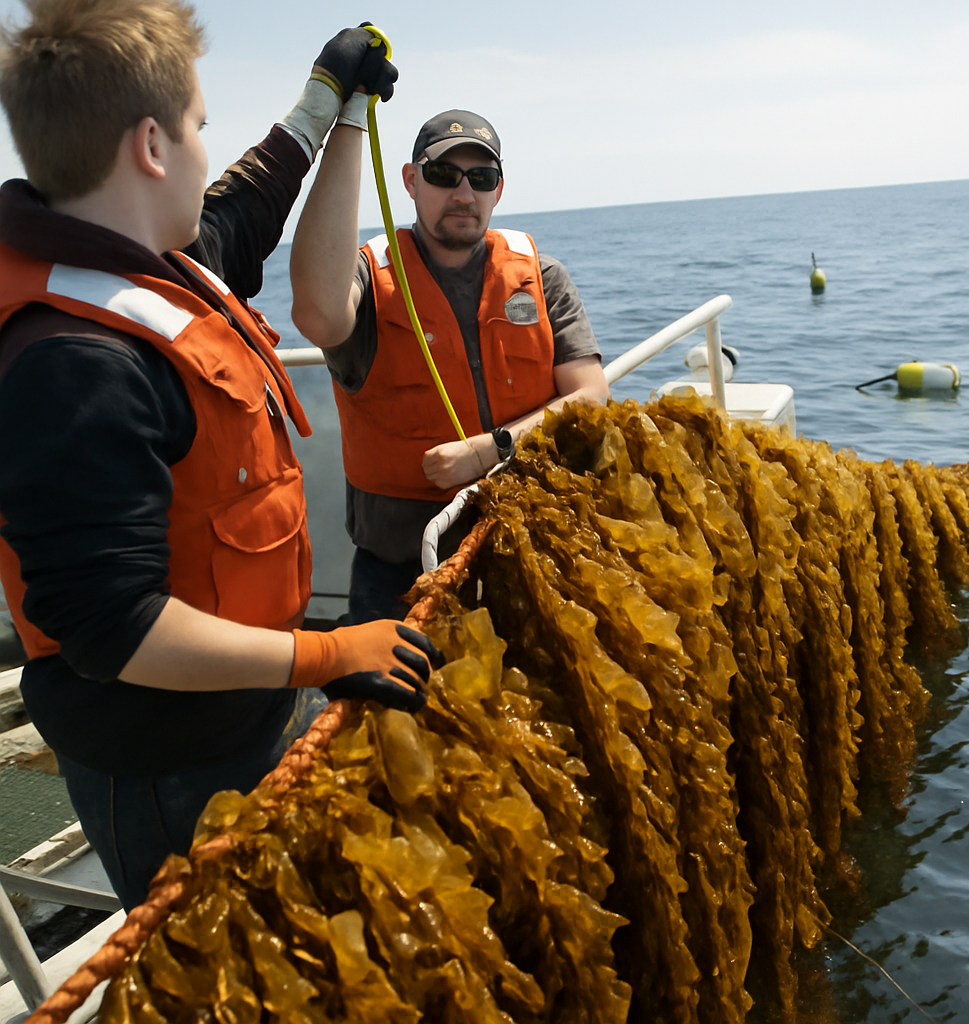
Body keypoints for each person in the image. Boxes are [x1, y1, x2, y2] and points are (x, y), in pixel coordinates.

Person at [0, 0, 442, 909]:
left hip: (244, 711)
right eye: (202, 126)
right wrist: (324, 656)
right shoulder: (75, 363)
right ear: (154, 148)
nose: (213, 148)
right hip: (165, 766)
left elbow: (246, 207)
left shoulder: (147, 259)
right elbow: (112, 628)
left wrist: (330, 98)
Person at [289, 108, 609, 624]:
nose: (464, 194)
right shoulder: (367, 281)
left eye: (481, 179)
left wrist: (491, 448)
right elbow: (316, 315)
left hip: (529, 548)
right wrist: (346, 122)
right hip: (400, 575)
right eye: (443, 175)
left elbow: (591, 395)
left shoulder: (542, 277)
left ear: (498, 191)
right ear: (411, 182)